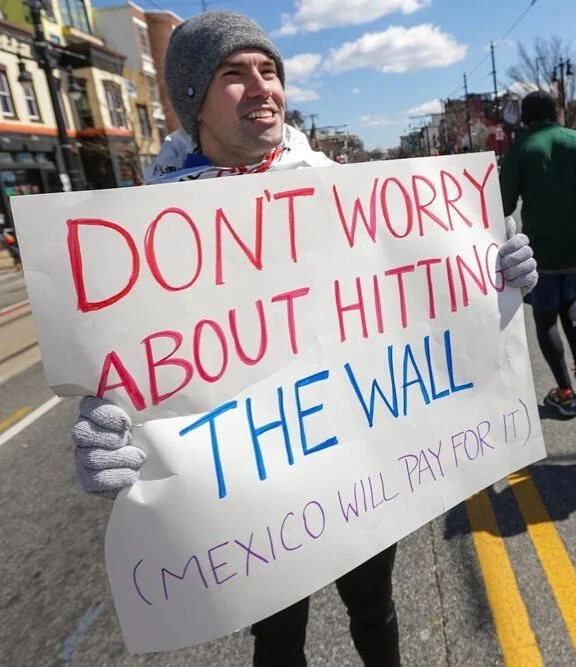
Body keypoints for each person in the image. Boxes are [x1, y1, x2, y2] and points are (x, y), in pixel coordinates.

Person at [68, 11, 539, 666]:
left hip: (356, 461)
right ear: (192, 101)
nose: (261, 87)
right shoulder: (142, 234)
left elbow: (416, 298)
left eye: (269, 71)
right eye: (234, 74)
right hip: (249, 496)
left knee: (374, 610)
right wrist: (106, 433)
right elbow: (123, 368)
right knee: (277, 637)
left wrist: (493, 278)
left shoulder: (340, 192)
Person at [499, 91, 576, 417]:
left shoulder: (520, 149)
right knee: (570, 299)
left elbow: (504, 205)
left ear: (525, 118)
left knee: (545, 316)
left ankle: (565, 393)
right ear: (556, 113)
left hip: (544, 249)